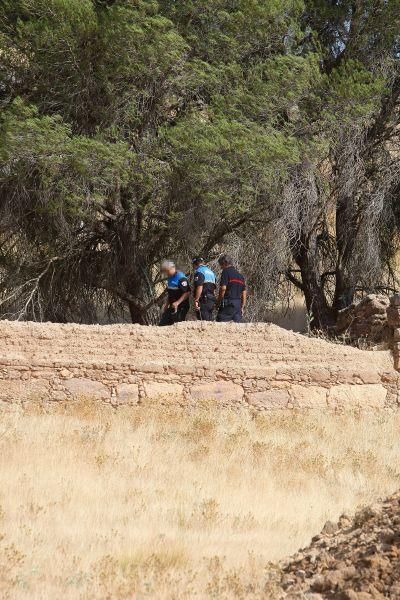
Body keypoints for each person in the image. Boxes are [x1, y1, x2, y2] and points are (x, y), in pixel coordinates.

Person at [159, 260, 190, 326]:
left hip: (181, 307)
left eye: (167, 271)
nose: (167, 274)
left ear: (172, 268)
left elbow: (187, 293)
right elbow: (170, 293)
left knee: (177, 325)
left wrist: (177, 302)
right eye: (165, 272)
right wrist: (166, 304)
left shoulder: (181, 278)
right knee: (162, 324)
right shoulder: (170, 278)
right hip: (172, 306)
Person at [216, 254, 246, 323]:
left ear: (225, 263)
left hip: (228, 303)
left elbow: (223, 288)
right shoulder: (240, 276)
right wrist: (242, 307)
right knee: (235, 329)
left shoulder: (225, 272)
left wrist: (218, 302)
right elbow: (244, 293)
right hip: (237, 305)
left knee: (221, 325)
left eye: (221, 265)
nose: (221, 267)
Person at [192, 256, 217, 321]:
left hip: (203, 300)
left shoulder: (199, 271)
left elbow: (200, 286)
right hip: (211, 299)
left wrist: (196, 300)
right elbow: (214, 289)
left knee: (202, 321)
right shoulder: (211, 272)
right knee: (209, 320)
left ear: (195, 264)